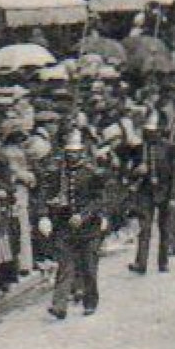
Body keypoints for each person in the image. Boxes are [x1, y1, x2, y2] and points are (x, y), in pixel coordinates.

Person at [34, 127, 102, 319]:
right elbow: (45, 194)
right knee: (65, 266)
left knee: (89, 267)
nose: (71, 156)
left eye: (75, 152)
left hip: (89, 229)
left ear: (81, 152)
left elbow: (99, 200)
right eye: (69, 152)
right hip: (64, 226)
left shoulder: (92, 173)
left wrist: (84, 215)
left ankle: (90, 301)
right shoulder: (57, 172)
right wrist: (44, 215)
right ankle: (59, 305)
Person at [128, 113, 175, 275]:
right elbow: (130, 172)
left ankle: (163, 262)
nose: (150, 134)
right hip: (146, 192)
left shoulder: (170, 148)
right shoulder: (139, 149)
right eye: (147, 131)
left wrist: (173, 197)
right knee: (145, 228)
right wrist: (137, 171)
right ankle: (141, 263)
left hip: (164, 191)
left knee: (164, 228)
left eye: (153, 131)